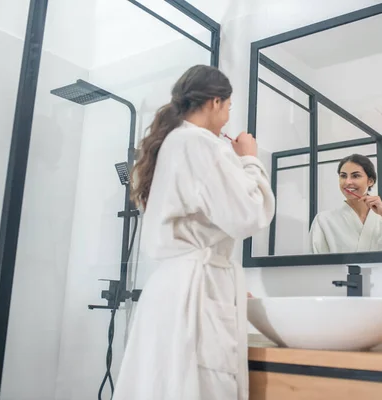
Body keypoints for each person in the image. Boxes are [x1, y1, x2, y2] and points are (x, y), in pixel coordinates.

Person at [113, 65, 275, 400]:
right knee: (198, 387)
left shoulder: (177, 142)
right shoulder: (200, 144)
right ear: (216, 101)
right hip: (194, 290)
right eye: (228, 108)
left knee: (164, 386)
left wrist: (228, 283)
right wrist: (249, 159)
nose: (228, 117)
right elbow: (246, 215)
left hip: (174, 288)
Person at [309, 154, 382, 253]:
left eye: (355, 176)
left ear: (370, 181)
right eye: (343, 176)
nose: (347, 182)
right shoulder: (324, 220)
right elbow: (316, 265)